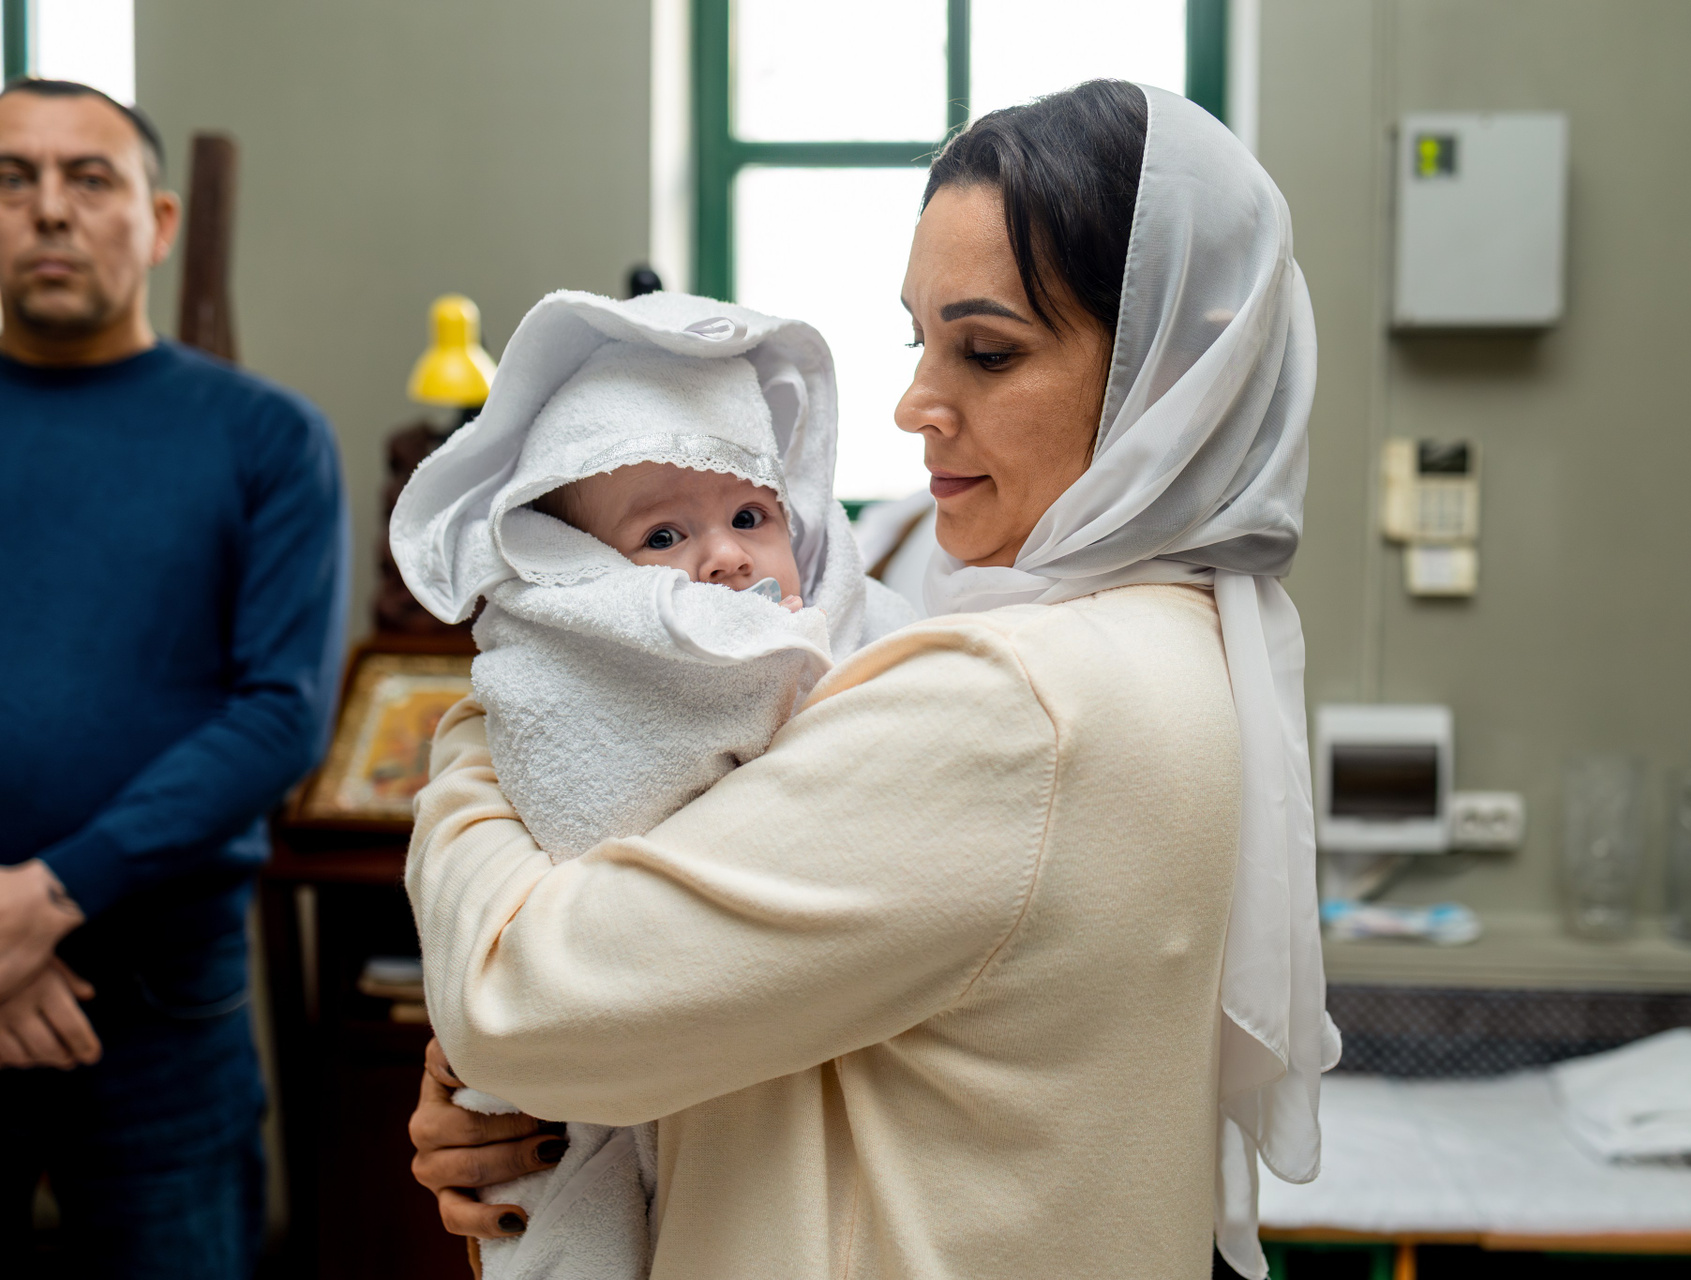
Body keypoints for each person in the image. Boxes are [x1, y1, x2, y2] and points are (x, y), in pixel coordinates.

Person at [406, 80, 1334, 1279]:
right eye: (920, 340)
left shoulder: (1020, 707)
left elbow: (519, 999)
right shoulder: (1183, 640)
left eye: (988, 350)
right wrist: (550, 1115)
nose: (914, 405)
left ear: (1174, 369)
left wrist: (490, 714)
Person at [387, 288, 911, 1280]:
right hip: (608, 1056)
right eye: (663, 538)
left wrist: (504, 1021)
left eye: (751, 516)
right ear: (581, 575)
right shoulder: (583, 669)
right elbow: (555, 779)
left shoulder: (882, 640)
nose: (725, 559)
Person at [0, 78, 347, 1276]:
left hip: (163, 1001)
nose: (50, 209)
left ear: (155, 224)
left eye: (88, 178)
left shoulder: (267, 437)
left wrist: (44, 900)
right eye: (12, 179)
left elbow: (280, 716)